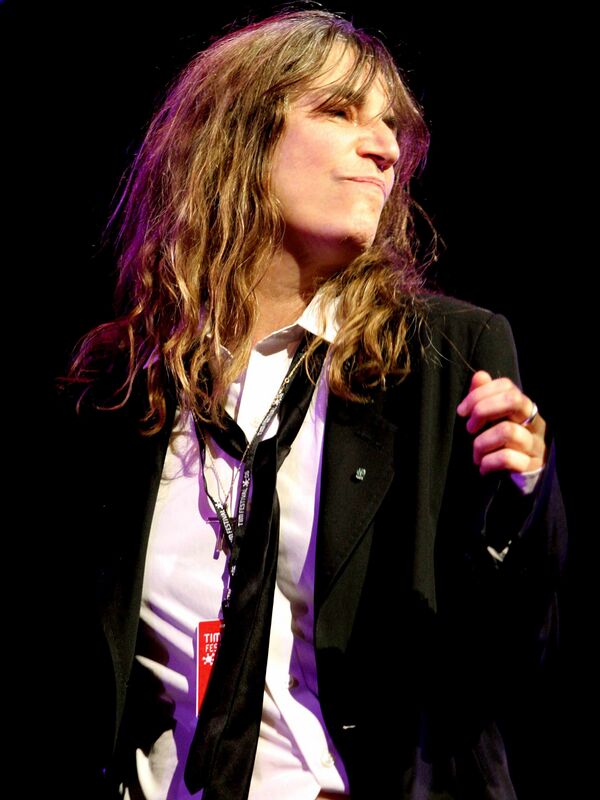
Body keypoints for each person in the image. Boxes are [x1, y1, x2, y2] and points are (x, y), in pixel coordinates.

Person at [54, 8, 566, 799]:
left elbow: (511, 660)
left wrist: (516, 502)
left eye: (390, 125)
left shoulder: (444, 358)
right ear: (240, 138)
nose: (384, 146)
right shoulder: (120, 386)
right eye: (340, 112)